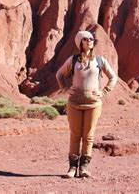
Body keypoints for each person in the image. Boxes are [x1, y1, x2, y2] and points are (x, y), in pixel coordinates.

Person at [56, 30, 117, 178]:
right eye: (85, 39)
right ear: (80, 42)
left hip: (93, 104)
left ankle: (83, 168)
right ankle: (72, 168)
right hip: (74, 103)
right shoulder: (73, 60)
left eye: (91, 38)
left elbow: (113, 77)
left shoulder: (100, 60)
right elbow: (59, 74)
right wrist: (65, 88)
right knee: (75, 135)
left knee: (88, 136)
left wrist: (104, 91)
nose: (89, 40)